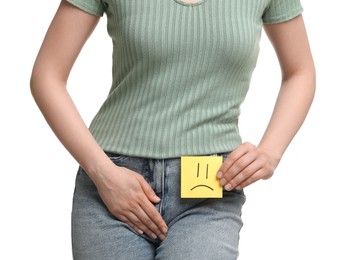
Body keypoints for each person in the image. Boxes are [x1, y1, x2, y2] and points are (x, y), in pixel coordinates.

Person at [30, 0, 315, 259]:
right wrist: (103, 174)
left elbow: (300, 71)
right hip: (114, 182)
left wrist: (270, 152)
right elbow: (47, 75)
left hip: (209, 190)